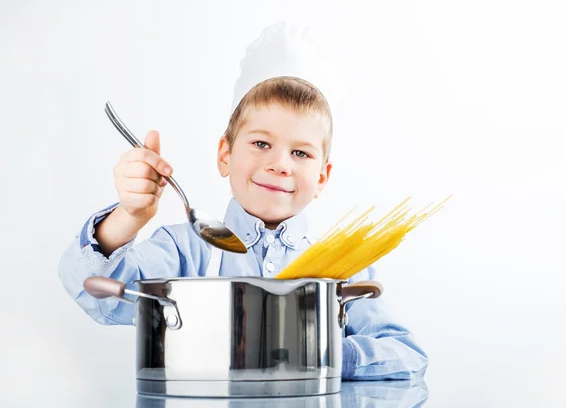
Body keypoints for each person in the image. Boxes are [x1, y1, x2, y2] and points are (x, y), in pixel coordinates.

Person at [58, 22, 427, 381]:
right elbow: (92, 292)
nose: (280, 164)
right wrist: (129, 215)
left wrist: (329, 354)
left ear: (321, 178)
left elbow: (408, 355)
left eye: (300, 153)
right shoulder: (185, 250)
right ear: (225, 154)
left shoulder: (343, 267)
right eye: (261, 143)